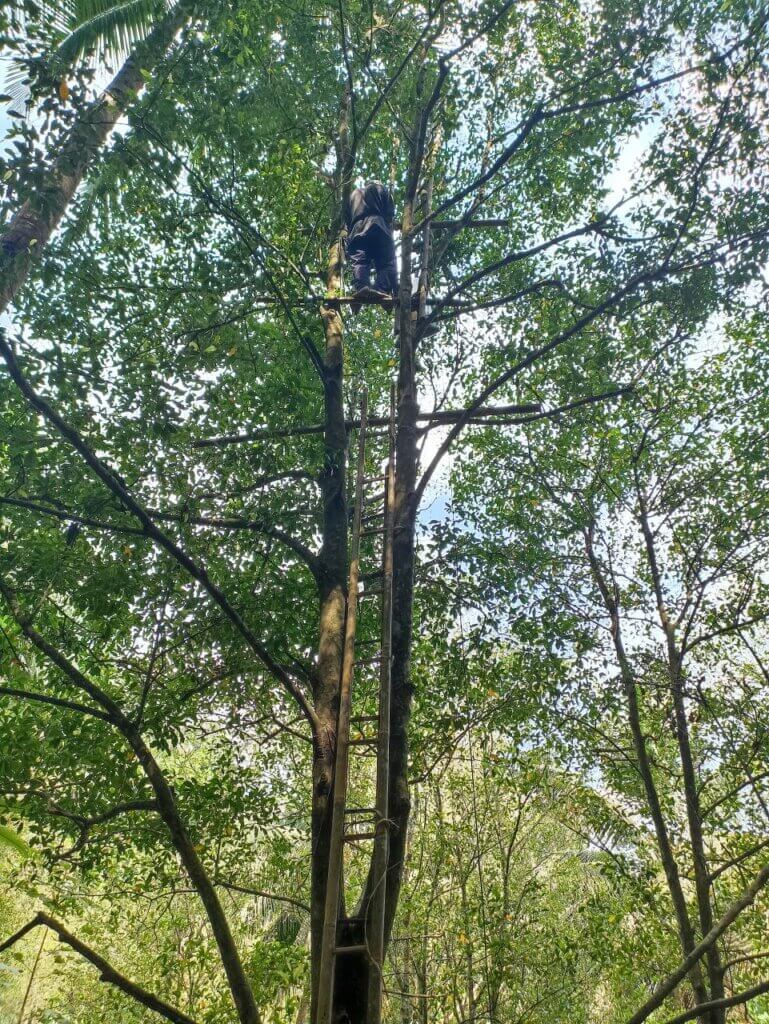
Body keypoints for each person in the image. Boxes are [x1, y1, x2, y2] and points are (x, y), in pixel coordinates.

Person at [345, 180, 398, 312]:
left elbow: (347, 218)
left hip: (357, 229)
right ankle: (381, 288)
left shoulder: (353, 194)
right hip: (379, 226)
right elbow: (389, 215)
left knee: (360, 260)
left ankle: (362, 286)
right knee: (386, 262)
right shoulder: (382, 190)